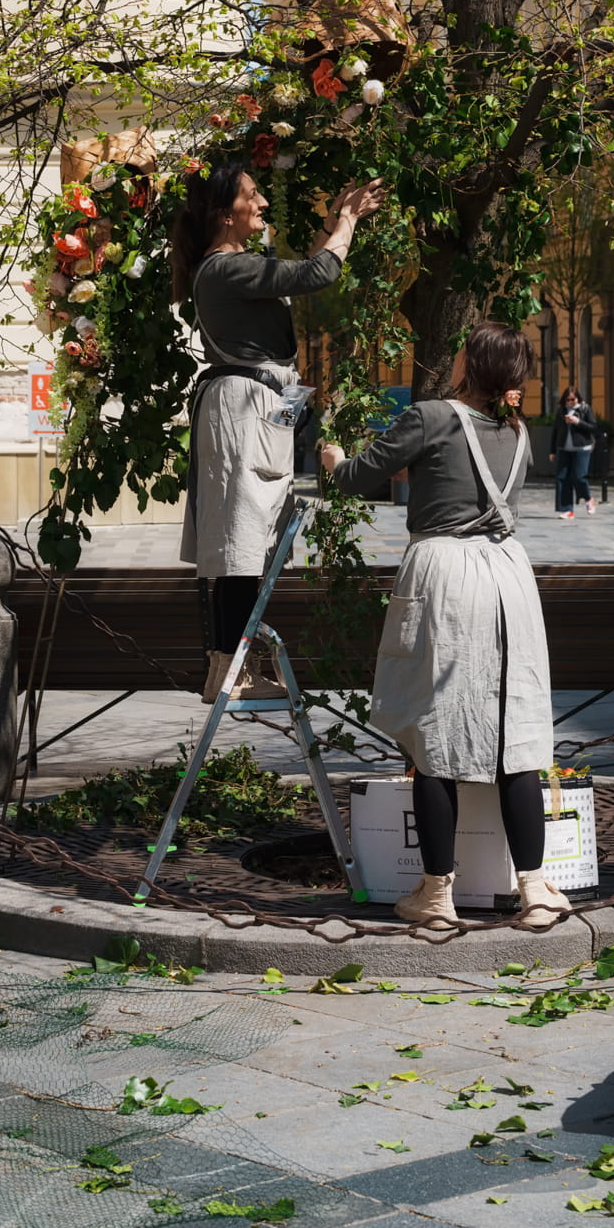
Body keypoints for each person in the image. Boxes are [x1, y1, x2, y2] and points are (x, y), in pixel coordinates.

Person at [320, 320, 569, 931]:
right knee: (516, 737)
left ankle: (436, 896)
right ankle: (535, 892)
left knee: (434, 736)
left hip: (447, 578)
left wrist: (332, 457)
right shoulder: (518, 431)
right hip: (509, 578)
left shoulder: (430, 416)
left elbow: (356, 477)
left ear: (470, 364)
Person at [172, 162, 385, 699]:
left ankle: (229, 668)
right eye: (252, 195)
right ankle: (234, 671)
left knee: (250, 538)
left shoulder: (235, 268)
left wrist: (333, 221)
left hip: (261, 403)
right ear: (226, 213)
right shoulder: (226, 268)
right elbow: (317, 274)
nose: (263, 203)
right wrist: (349, 220)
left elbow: (299, 272)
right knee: (241, 541)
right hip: (246, 406)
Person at [549, 385, 596, 519]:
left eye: (573, 399)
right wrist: (552, 451)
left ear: (578, 398)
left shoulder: (585, 409)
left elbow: (593, 427)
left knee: (579, 477)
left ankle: (588, 498)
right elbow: (555, 430)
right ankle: (567, 510)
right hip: (564, 449)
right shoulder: (561, 410)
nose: (570, 402)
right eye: (568, 400)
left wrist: (578, 422)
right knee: (562, 478)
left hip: (582, 448)